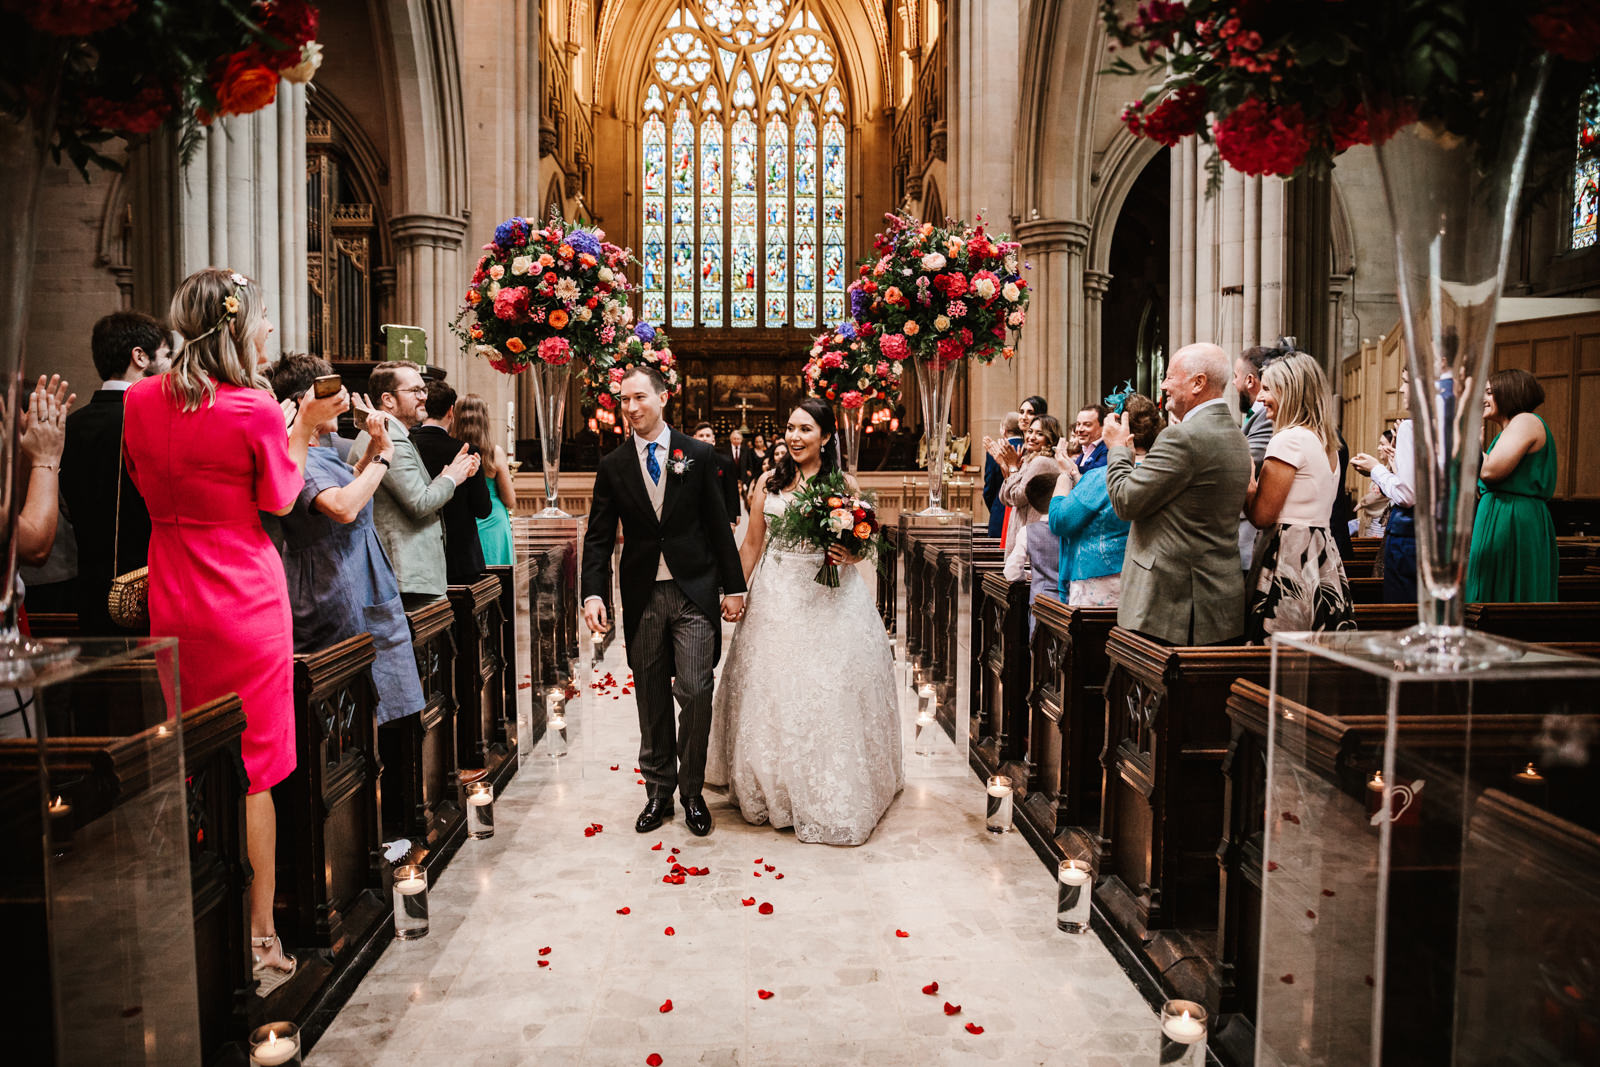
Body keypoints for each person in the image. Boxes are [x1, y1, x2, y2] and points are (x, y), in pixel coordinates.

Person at [123, 267, 347, 995]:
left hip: (175, 592)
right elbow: (280, 496)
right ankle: (258, 940)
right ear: (234, 326)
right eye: (262, 318)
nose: (270, 331)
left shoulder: (140, 400)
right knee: (254, 768)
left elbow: (145, 481)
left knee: (193, 754)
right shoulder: (251, 404)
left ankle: (197, 926)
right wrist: (304, 429)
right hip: (244, 597)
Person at [707, 398, 903, 845]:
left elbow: (862, 543)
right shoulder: (767, 482)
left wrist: (849, 553)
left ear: (826, 436)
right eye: (790, 428)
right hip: (777, 595)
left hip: (830, 598)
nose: (794, 437)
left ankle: (828, 789)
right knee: (773, 689)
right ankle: (770, 789)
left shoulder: (844, 485)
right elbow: (753, 544)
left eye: (805, 429)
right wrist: (735, 591)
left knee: (829, 690)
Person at [581, 365, 745, 838]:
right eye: (623, 400)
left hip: (693, 590)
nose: (630, 408)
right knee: (650, 694)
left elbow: (717, 525)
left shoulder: (696, 454)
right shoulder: (613, 465)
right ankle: (659, 791)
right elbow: (597, 539)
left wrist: (733, 587)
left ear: (663, 397)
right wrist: (593, 592)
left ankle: (692, 791)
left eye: (639, 398)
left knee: (695, 690)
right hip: (643, 595)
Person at [269, 354, 426, 726]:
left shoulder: (324, 450)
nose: (342, 401)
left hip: (361, 581)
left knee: (385, 708)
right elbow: (342, 506)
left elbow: (349, 481)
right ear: (306, 401)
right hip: (334, 589)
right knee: (355, 718)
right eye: (332, 394)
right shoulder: (298, 455)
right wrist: (384, 459)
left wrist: (374, 447)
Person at [1102, 342, 1253, 645]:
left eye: (1170, 377)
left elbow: (1126, 501)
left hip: (1173, 608)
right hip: (1215, 601)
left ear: (1198, 383)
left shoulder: (1183, 436)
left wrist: (1118, 450)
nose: (1163, 385)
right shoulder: (1236, 435)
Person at [60, 311, 169, 634]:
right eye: (166, 355)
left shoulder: (72, 425)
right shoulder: (156, 419)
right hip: (148, 592)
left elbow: (65, 508)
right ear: (139, 356)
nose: (172, 366)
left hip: (90, 590)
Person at [1242, 352, 1356, 643]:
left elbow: (1261, 516)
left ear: (1289, 392)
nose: (1260, 398)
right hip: (1321, 557)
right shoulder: (1326, 441)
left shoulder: (1288, 439)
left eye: (1267, 389)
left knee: (1278, 656)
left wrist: (1248, 483)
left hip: (1290, 556)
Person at [351, 361, 479, 605]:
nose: (423, 398)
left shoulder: (397, 434)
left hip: (409, 576)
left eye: (424, 390)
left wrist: (447, 475)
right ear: (388, 399)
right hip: (405, 575)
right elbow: (419, 503)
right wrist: (452, 478)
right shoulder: (389, 438)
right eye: (415, 391)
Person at [1050, 394, 1163, 607]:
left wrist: (1064, 477)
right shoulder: (1162, 472)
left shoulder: (1101, 478)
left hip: (1100, 582)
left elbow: (1059, 520)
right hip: (1147, 581)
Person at [1465, 369, 1558, 603]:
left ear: (1509, 392)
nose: (1482, 399)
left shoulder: (1525, 420)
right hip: (1504, 513)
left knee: (1507, 594)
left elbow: (1489, 472)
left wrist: (1473, 444)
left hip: (1513, 518)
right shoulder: (1511, 429)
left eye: (1488, 392)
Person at [412, 379, 491, 586]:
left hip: (419, 558)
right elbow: (483, 509)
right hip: (461, 558)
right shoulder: (466, 451)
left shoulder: (409, 447)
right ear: (451, 411)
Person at [1351, 367, 1417, 604]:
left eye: (1406, 381)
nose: (1401, 389)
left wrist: (1375, 470)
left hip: (1410, 537)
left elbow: (1407, 495)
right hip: (1444, 536)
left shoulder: (1413, 426)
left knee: (1404, 613)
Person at [453, 393, 517, 567]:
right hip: (493, 521)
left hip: (461, 522)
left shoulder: (451, 451)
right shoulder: (493, 452)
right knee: (498, 581)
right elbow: (510, 500)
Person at [998, 414, 1064, 566]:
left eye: (1039, 434)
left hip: (1030, 536)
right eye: (1030, 431)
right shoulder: (1031, 459)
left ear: (1050, 438)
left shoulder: (1041, 462)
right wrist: (1010, 469)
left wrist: (1013, 468)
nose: (1031, 437)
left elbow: (1016, 498)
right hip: (1025, 532)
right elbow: (1004, 498)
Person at [1234, 345, 1277, 570]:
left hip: (1252, 530)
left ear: (1250, 380)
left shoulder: (1267, 420)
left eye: (1235, 376)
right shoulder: (1257, 417)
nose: (1233, 383)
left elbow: (1246, 461)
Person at [982, 411, 1023, 538]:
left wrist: (997, 506)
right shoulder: (1028, 448)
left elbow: (989, 489)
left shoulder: (996, 451)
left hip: (1000, 512)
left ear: (1003, 430)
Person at [694, 421, 741, 525]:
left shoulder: (726, 462)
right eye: (701, 436)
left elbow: (732, 491)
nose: (704, 438)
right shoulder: (688, 462)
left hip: (720, 515)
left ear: (713, 440)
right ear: (694, 438)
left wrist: (732, 519)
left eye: (707, 435)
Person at [1355, 430, 1395, 537]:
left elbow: (1380, 497)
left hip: (1382, 526)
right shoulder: (1382, 469)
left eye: (1382, 444)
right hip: (1372, 524)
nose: (1378, 448)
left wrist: (1363, 503)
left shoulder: (1395, 472)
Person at [1071, 404, 1109, 473]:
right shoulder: (1085, 450)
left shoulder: (1108, 449)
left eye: (1087, 425)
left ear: (1103, 426)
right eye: (1078, 424)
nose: (1080, 429)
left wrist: (1067, 464)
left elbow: (1093, 476)